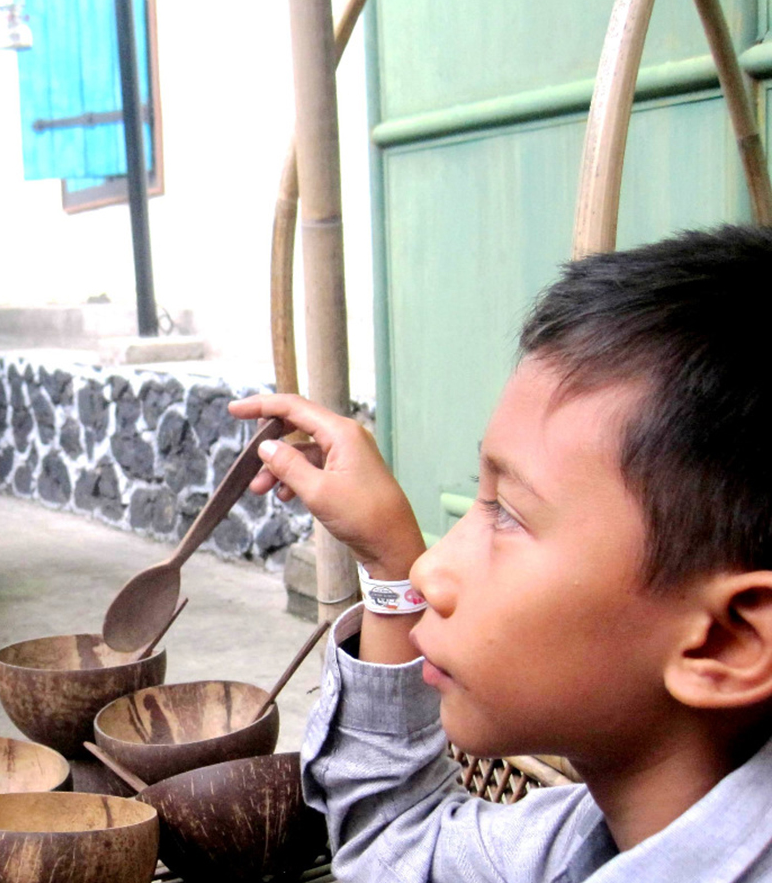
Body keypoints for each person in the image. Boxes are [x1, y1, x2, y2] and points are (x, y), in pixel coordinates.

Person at [230, 225, 772, 882]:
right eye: (479, 500)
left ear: (728, 641)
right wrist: (389, 562)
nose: (432, 570)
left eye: (508, 515)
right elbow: (398, 848)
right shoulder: (583, 839)